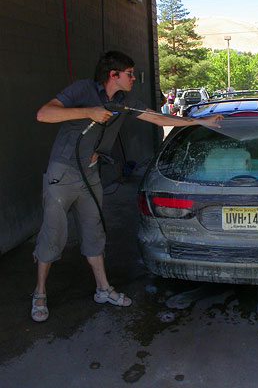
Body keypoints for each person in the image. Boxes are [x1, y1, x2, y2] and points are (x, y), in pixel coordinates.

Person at [31, 51, 222, 322]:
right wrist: (89, 112)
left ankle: (103, 288)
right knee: (53, 233)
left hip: (90, 174)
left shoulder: (125, 101)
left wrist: (200, 122)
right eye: (130, 73)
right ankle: (39, 293)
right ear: (114, 75)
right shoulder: (82, 90)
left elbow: (157, 118)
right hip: (62, 173)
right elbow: (43, 114)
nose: (134, 78)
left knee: (94, 230)